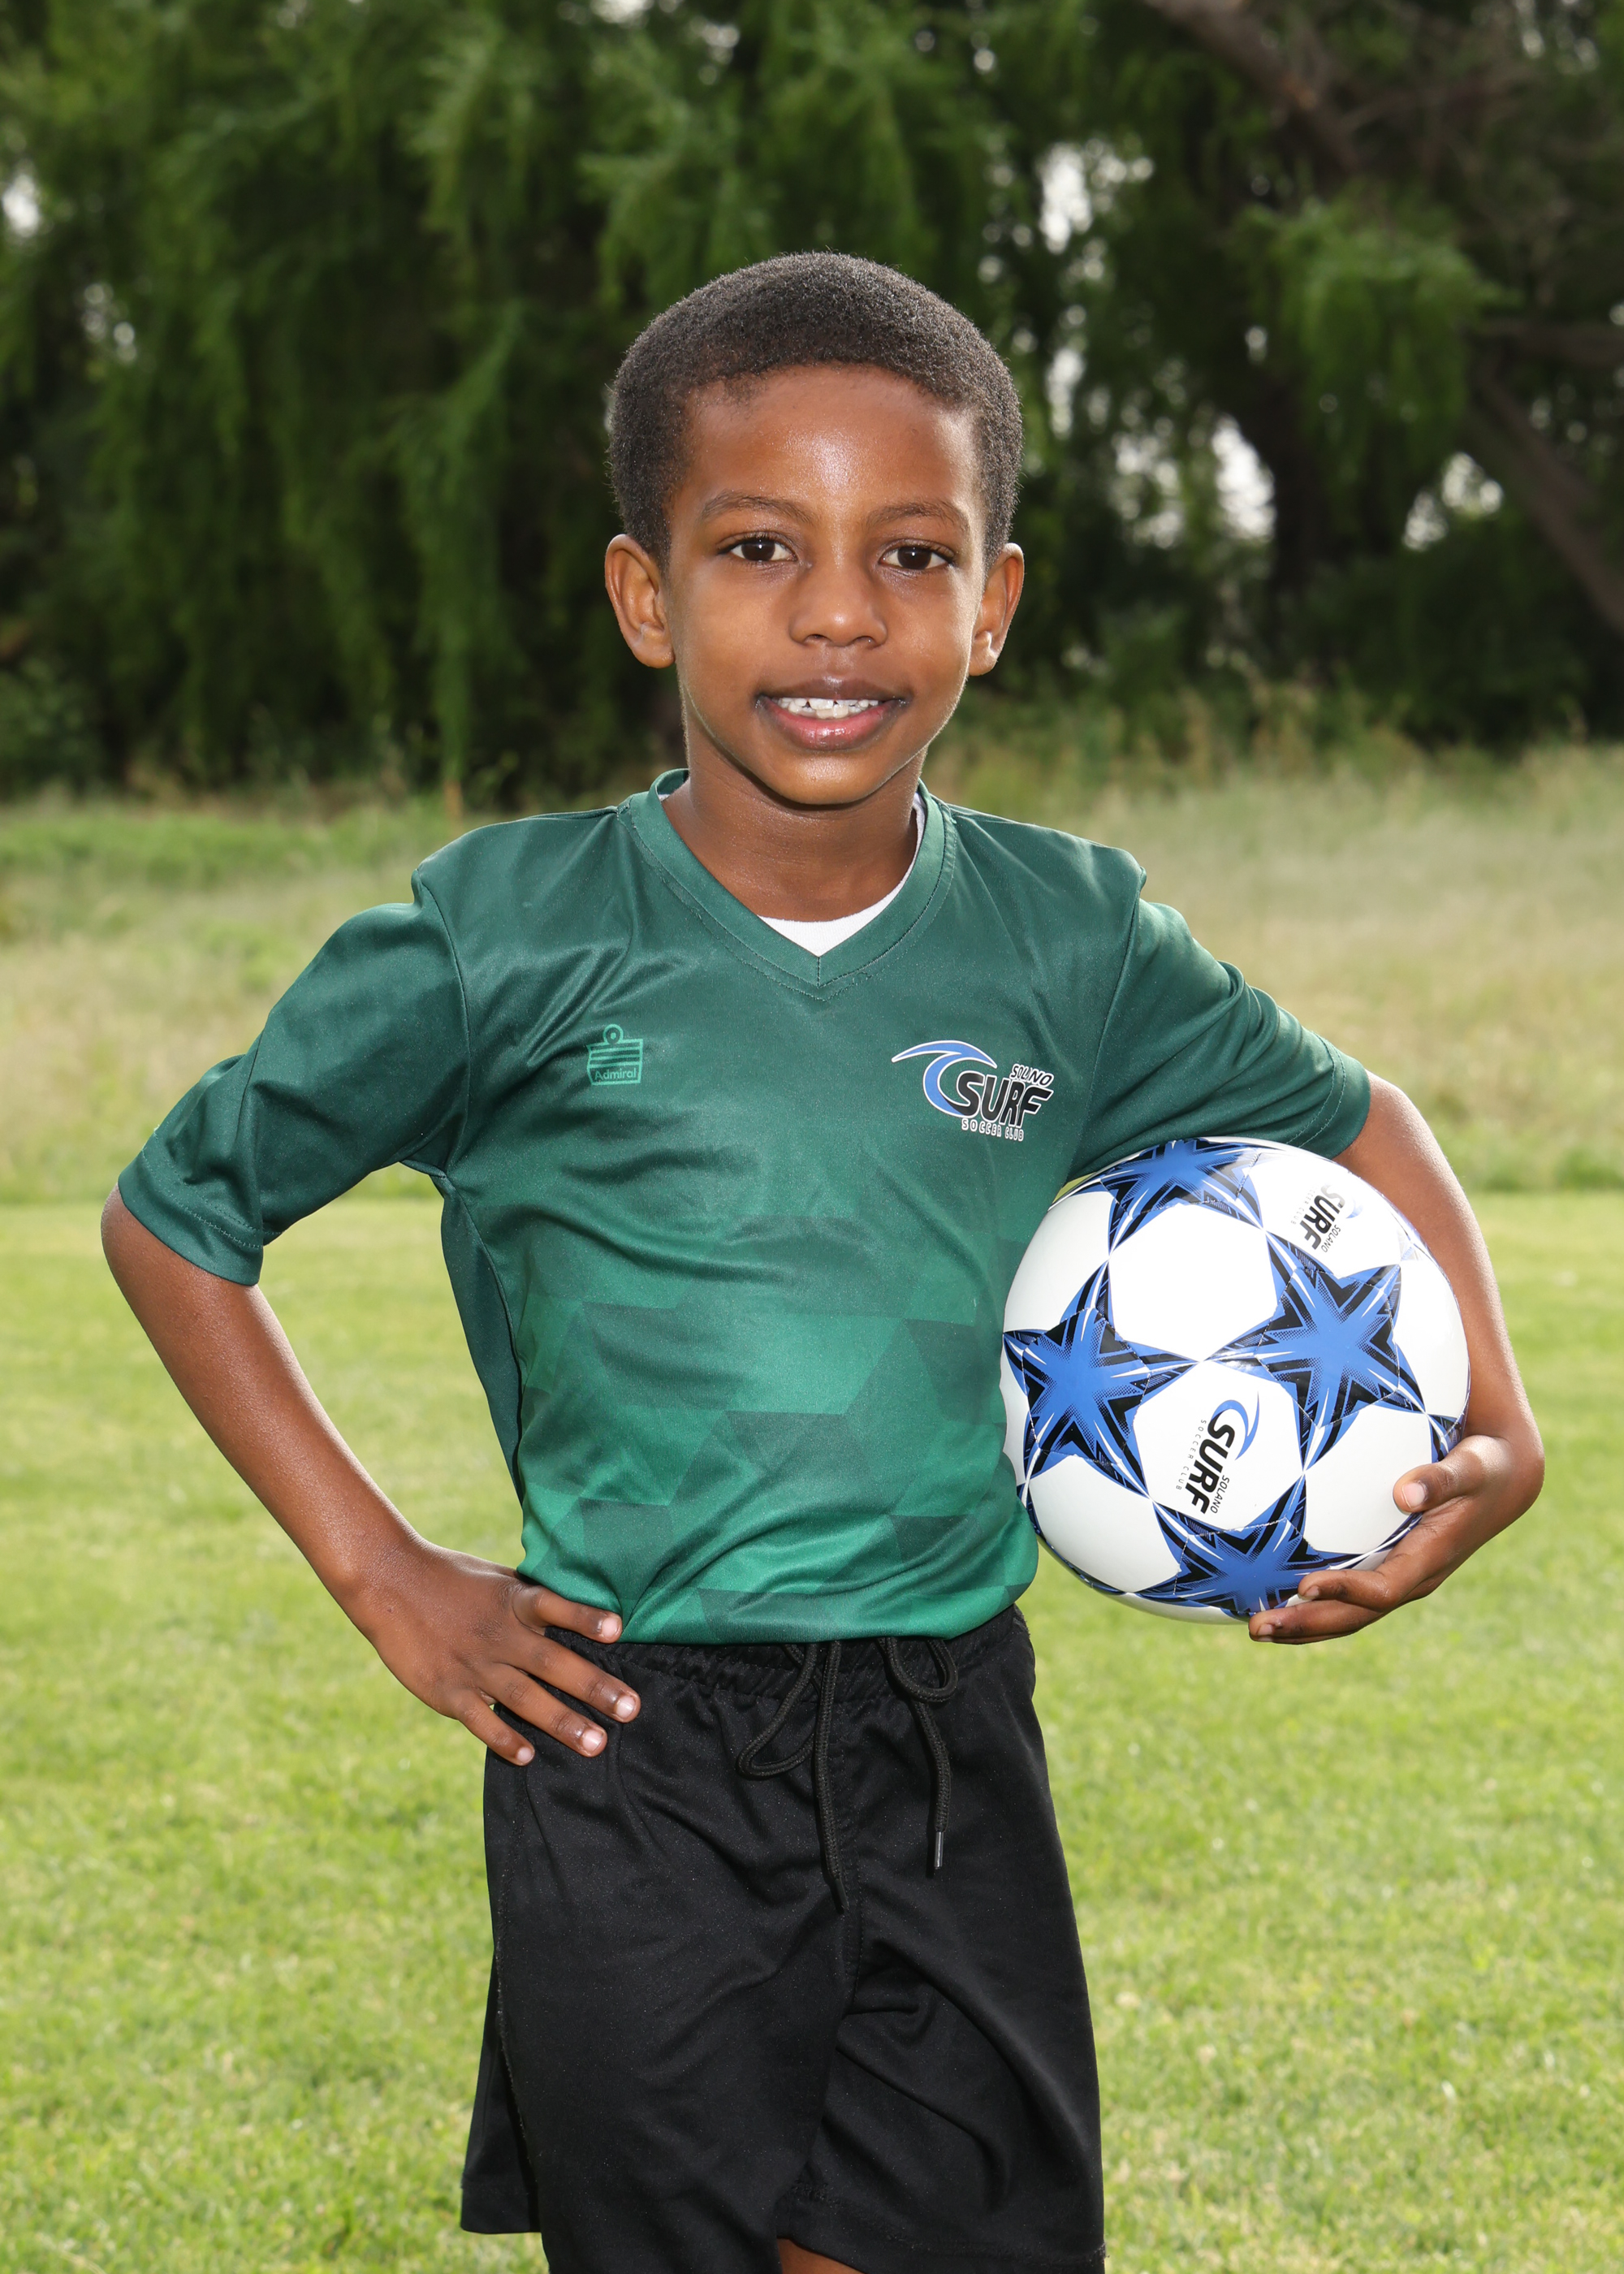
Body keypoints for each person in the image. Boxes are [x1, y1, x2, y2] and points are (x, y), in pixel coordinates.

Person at [102, 253, 1544, 2274]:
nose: (840, 612)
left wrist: (1496, 1415)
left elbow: (1358, 1117)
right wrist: (386, 1571)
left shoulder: (1075, 939)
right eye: (760, 546)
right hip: (630, 1741)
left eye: (911, 554)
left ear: (995, 603)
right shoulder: (499, 939)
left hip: (954, 1731)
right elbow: (178, 1216)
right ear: (647, 593)